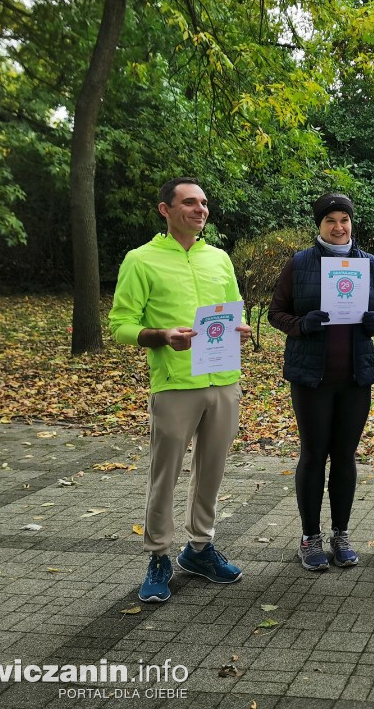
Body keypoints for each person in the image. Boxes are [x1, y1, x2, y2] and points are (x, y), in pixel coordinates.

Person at [109, 176, 251, 604]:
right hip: (174, 385)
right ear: (165, 210)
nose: (200, 209)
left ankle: (200, 549)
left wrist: (239, 330)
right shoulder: (141, 259)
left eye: (204, 203)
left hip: (223, 381)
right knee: (165, 475)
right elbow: (120, 325)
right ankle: (158, 556)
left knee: (211, 471)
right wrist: (161, 335)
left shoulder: (219, 259)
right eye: (189, 202)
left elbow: (230, 312)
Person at [268, 193, 374, 571]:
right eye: (331, 220)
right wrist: (301, 326)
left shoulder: (369, 264)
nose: (339, 227)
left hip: (354, 378)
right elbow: (276, 312)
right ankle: (310, 537)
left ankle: (341, 534)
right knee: (314, 454)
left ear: (353, 223)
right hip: (312, 378)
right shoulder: (300, 263)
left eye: (344, 220)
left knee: (346, 456)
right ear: (319, 225)